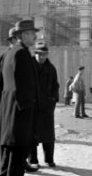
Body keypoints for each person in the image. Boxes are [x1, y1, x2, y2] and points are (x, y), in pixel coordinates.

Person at [0, 19, 39, 176]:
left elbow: (2, 86)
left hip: (8, 113)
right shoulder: (22, 53)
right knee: (17, 161)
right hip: (20, 116)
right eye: (33, 34)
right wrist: (29, 113)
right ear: (24, 35)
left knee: (7, 160)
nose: (35, 37)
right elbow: (24, 87)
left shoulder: (9, 52)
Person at [27, 41, 59, 170]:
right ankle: (33, 160)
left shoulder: (51, 69)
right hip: (32, 106)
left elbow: (55, 86)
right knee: (31, 135)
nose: (42, 57)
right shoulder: (28, 66)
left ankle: (49, 159)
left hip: (46, 107)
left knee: (48, 135)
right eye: (39, 54)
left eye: (44, 54)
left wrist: (52, 102)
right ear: (35, 53)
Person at [0, 27, 17, 148]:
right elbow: (1, 81)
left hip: (15, 100)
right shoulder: (7, 56)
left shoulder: (17, 54)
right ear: (13, 40)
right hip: (9, 99)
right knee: (9, 136)